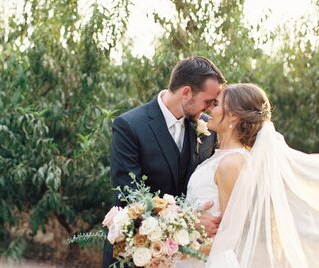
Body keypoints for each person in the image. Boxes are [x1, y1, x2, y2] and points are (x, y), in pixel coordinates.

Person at [102, 56, 227, 268]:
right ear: (186, 92)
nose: (209, 108)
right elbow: (129, 196)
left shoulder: (208, 129)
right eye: (208, 101)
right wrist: (189, 220)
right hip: (136, 253)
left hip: (187, 256)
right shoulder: (129, 126)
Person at [180, 83, 319, 267]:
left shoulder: (231, 163)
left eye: (216, 104)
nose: (209, 109)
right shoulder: (224, 156)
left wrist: (177, 249)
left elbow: (230, 237)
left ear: (233, 115)